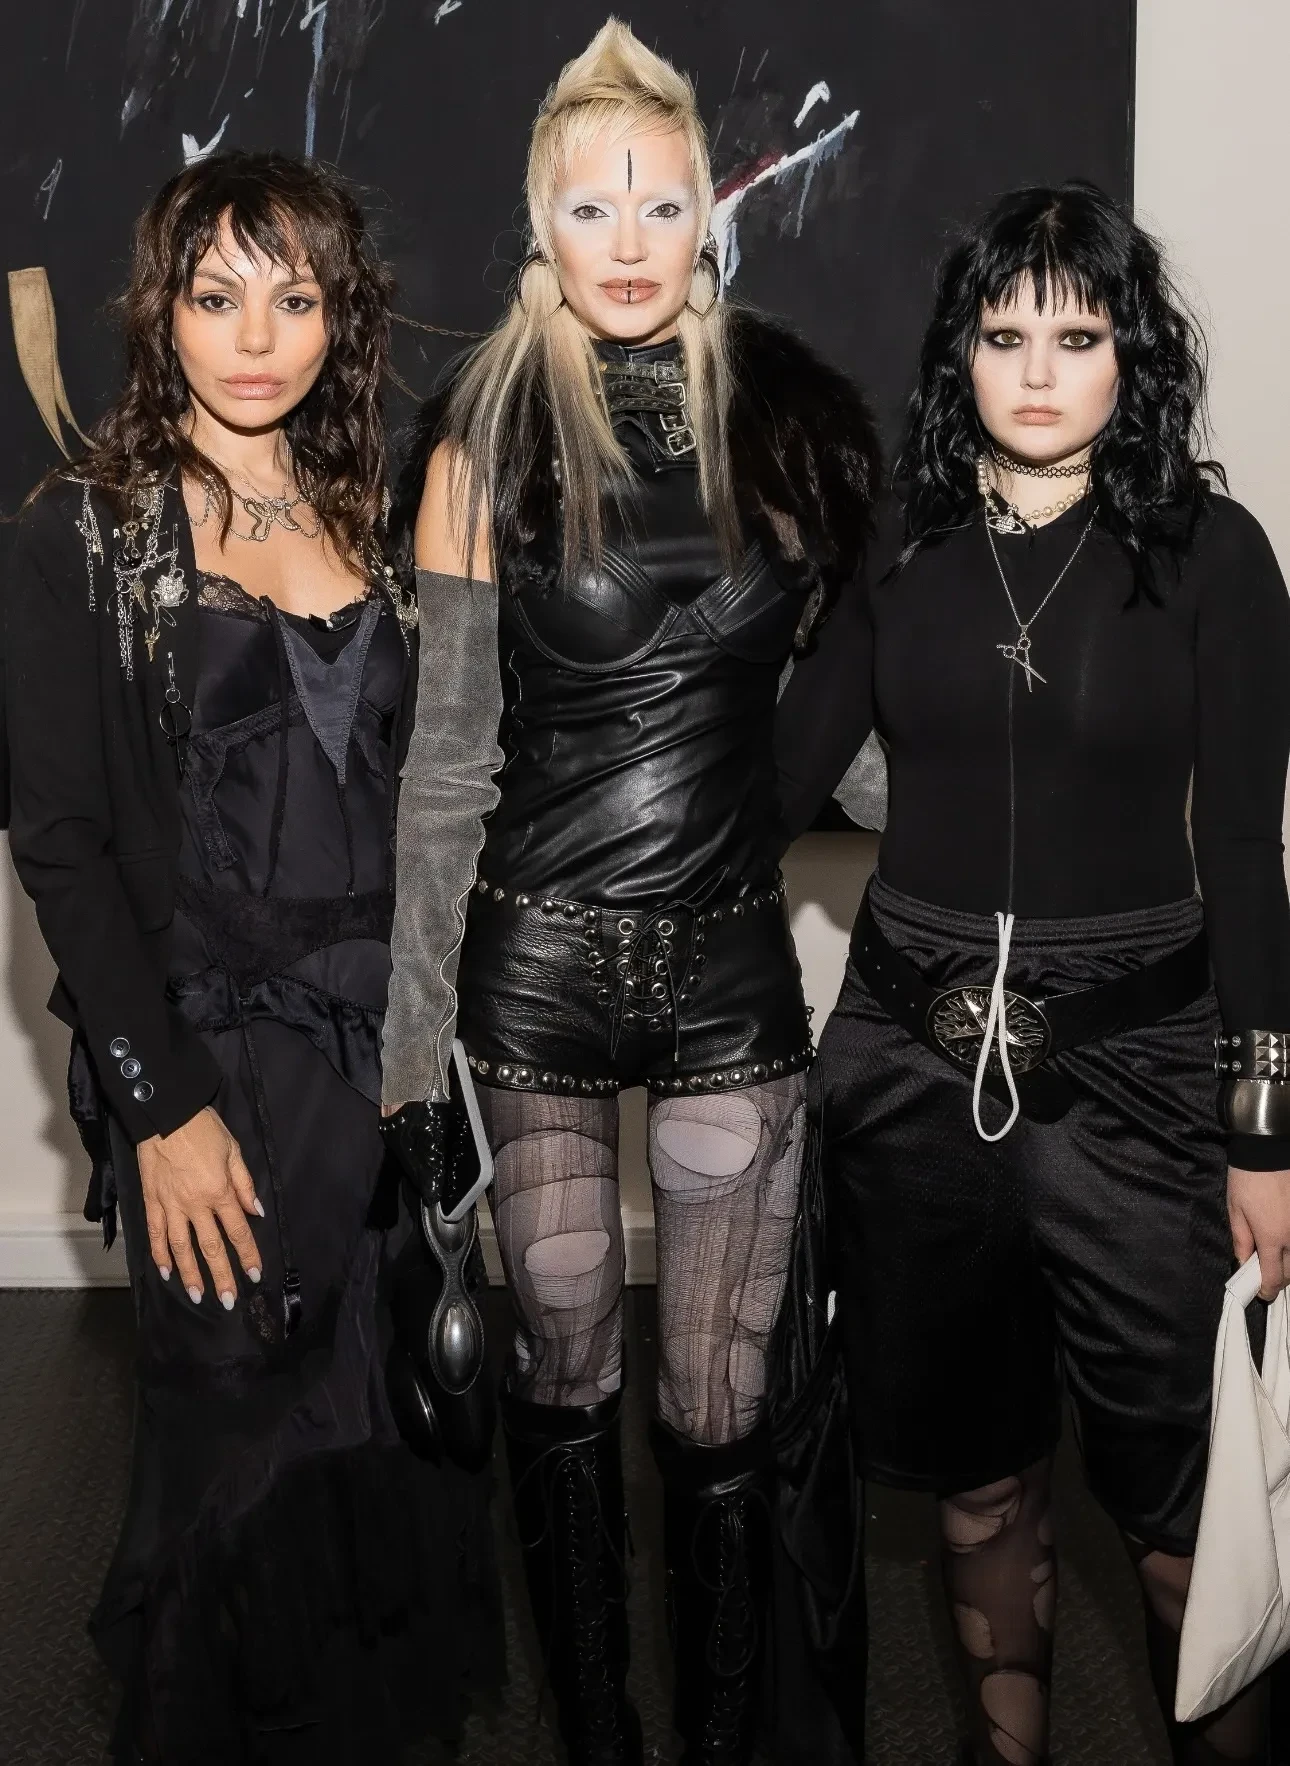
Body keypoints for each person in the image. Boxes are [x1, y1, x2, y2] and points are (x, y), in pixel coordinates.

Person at [379, 19, 879, 1766]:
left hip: (732, 970)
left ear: (705, 216)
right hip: (536, 978)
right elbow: (447, 763)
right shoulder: (480, 436)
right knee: (563, 1372)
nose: (627, 239)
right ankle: (599, 1737)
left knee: (721, 1395)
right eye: (589, 207)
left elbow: (841, 711)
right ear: (543, 224)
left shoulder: (788, 428)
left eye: (660, 203)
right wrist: (407, 1057)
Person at [774, 180, 1290, 1766]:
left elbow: (1244, 858)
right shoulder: (895, 546)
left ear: (1131, 353)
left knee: (1180, 1498)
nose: (1040, 371)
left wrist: (1263, 1131)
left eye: (1077, 336)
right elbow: (774, 787)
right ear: (960, 355)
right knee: (979, 1476)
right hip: (910, 1073)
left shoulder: (1212, 555)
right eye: (1004, 336)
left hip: (1143, 1079)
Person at [4, 150, 501, 1764]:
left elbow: (435, 803)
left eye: (294, 298)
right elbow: (61, 845)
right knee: (235, 1450)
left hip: (382, 1075)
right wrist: (160, 1109)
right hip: (213, 1072)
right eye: (217, 297)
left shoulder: (375, 513)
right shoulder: (87, 534)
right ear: (164, 312)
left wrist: (429, 1062)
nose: (255, 336)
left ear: (339, 317)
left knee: (380, 1440)